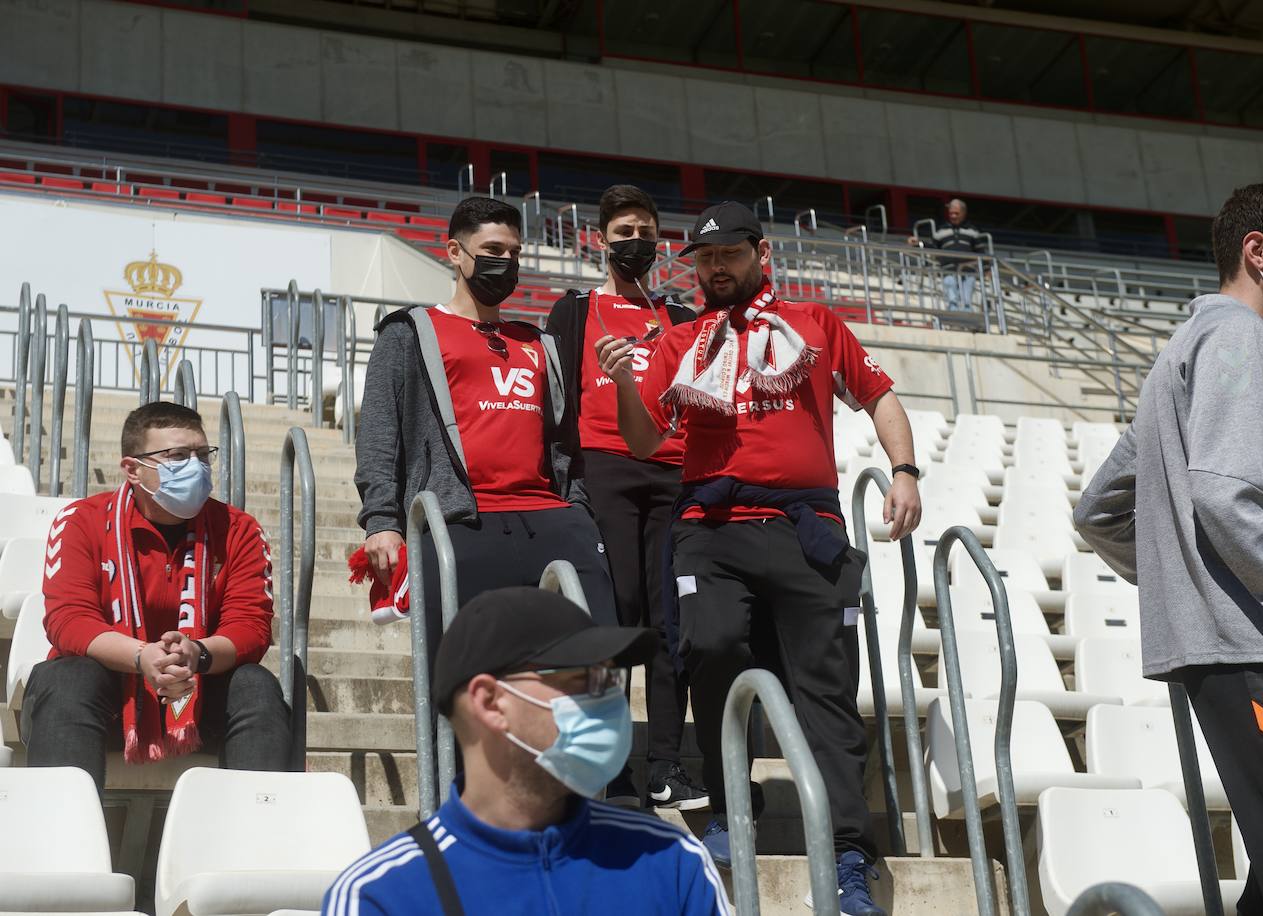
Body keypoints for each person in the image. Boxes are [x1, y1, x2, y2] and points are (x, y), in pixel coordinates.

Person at [596, 201, 922, 916]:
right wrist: (624, 378)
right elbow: (646, 441)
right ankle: (727, 810)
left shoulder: (815, 324)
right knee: (708, 645)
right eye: (704, 260)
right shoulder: (683, 337)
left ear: (760, 253)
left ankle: (845, 856)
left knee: (827, 694)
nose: (714, 269)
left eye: (728, 255)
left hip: (808, 526)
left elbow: (880, 396)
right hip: (712, 525)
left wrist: (904, 471)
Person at [1074, 182, 1263, 914]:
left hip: (1234, 659)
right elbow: (1224, 495)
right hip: (1256, 660)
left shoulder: (1179, 354)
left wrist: (1188, 589)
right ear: (1257, 252)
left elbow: (1098, 512)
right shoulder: (1238, 337)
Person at [320, 586, 729, 915]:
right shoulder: (381, 897)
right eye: (581, 679)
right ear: (490, 702)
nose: (607, 700)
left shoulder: (672, 861)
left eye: (608, 679)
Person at [354, 196, 617, 662]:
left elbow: (564, 444)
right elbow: (379, 432)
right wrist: (382, 522)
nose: (507, 263)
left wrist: (577, 509)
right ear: (455, 252)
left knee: (595, 662)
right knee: (467, 679)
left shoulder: (540, 342)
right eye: (494, 250)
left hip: (551, 519)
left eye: (515, 253)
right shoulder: (409, 331)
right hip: (461, 522)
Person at [22, 402, 289, 791]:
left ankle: (258, 837)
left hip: (197, 692)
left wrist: (196, 654)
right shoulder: (82, 520)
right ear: (132, 469)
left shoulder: (239, 529)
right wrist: (140, 656)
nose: (195, 467)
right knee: (69, 678)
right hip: (101, 700)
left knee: (256, 686)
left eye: (203, 455)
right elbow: (69, 621)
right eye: (178, 456)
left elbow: (250, 626)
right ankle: (59, 839)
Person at [545, 185, 707, 811]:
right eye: (622, 234)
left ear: (658, 241)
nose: (633, 243)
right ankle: (610, 770)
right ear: (601, 242)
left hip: (673, 473)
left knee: (670, 622)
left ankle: (665, 766)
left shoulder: (683, 319)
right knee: (618, 617)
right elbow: (553, 402)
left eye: (644, 232)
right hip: (604, 469)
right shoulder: (577, 311)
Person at [926, 198, 987, 312]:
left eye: (956, 213)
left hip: (968, 271)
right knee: (951, 296)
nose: (953, 216)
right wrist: (918, 243)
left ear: (964, 213)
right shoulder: (940, 231)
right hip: (948, 270)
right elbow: (931, 248)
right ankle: (953, 316)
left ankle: (968, 321)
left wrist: (987, 269)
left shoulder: (973, 231)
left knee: (967, 301)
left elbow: (981, 252)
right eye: (951, 213)